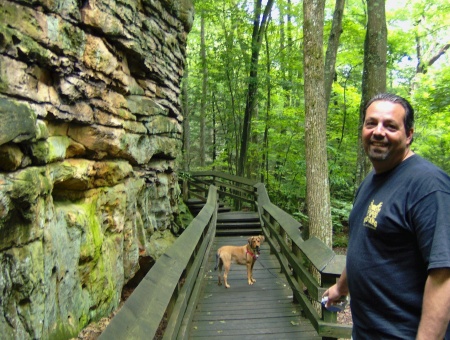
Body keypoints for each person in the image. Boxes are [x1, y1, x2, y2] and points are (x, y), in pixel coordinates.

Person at [323, 93, 450, 339]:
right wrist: (341, 287)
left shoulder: (429, 186)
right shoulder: (372, 179)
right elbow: (364, 243)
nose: (378, 132)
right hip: (366, 331)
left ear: (409, 134)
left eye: (390, 126)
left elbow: (444, 276)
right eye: (371, 123)